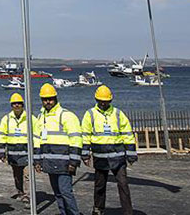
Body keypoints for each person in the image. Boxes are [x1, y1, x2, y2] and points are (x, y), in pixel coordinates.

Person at [81, 85, 137, 215]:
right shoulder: (90, 114)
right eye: (101, 101)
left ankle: (128, 212)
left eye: (105, 101)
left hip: (118, 157)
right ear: (96, 99)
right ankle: (98, 209)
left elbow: (128, 135)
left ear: (110, 100)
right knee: (99, 186)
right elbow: (85, 135)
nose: (103, 103)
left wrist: (131, 155)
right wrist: (85, 155)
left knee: (123, 185)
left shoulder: (118, 114)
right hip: (100, 157)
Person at [35, 83, 82, 215]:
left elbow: (76, 140)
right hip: (50, 162)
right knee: (58, 193)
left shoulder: (67, 116)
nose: (48, 102)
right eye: (45, 99)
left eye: (50, 99)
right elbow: (37, 140)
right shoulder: (41, 117)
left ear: (55, 98)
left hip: (64, 163)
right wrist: (37, 161)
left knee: (66, 192)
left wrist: (73, 162)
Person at [0, 93, 39, 208]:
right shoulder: (6, 119)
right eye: (14, 103)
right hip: (13, 154)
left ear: (23, 105)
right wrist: (1, 151)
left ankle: (28, 197)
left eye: (19, 103)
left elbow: (37, 136)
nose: (16, 105)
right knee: (17, 175)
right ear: (11, 105)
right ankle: (20, 192)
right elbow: (2, 135)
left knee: (28, 176)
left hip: (27, 153)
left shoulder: (31, 119)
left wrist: (37, 152)